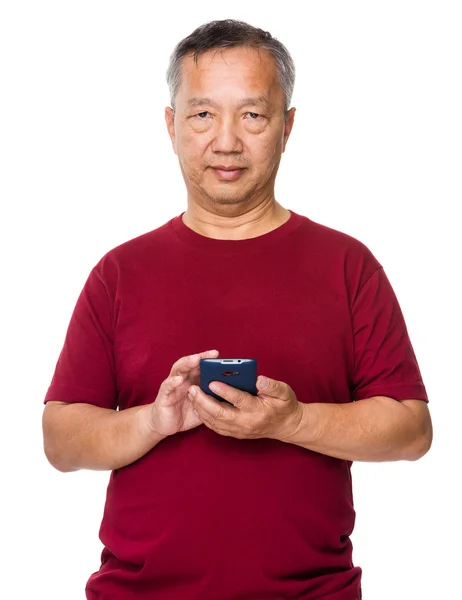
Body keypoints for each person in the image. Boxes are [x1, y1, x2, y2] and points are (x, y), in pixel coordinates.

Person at [42, 18, 432, 600]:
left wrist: (292, 421)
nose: (226, 141)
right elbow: (60, 440)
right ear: (171, 125)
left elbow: (410, 430)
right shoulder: (118, 274)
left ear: (287, 127)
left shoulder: (348, 266)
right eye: (202, 115)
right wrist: (153, 420)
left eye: (252, 115)